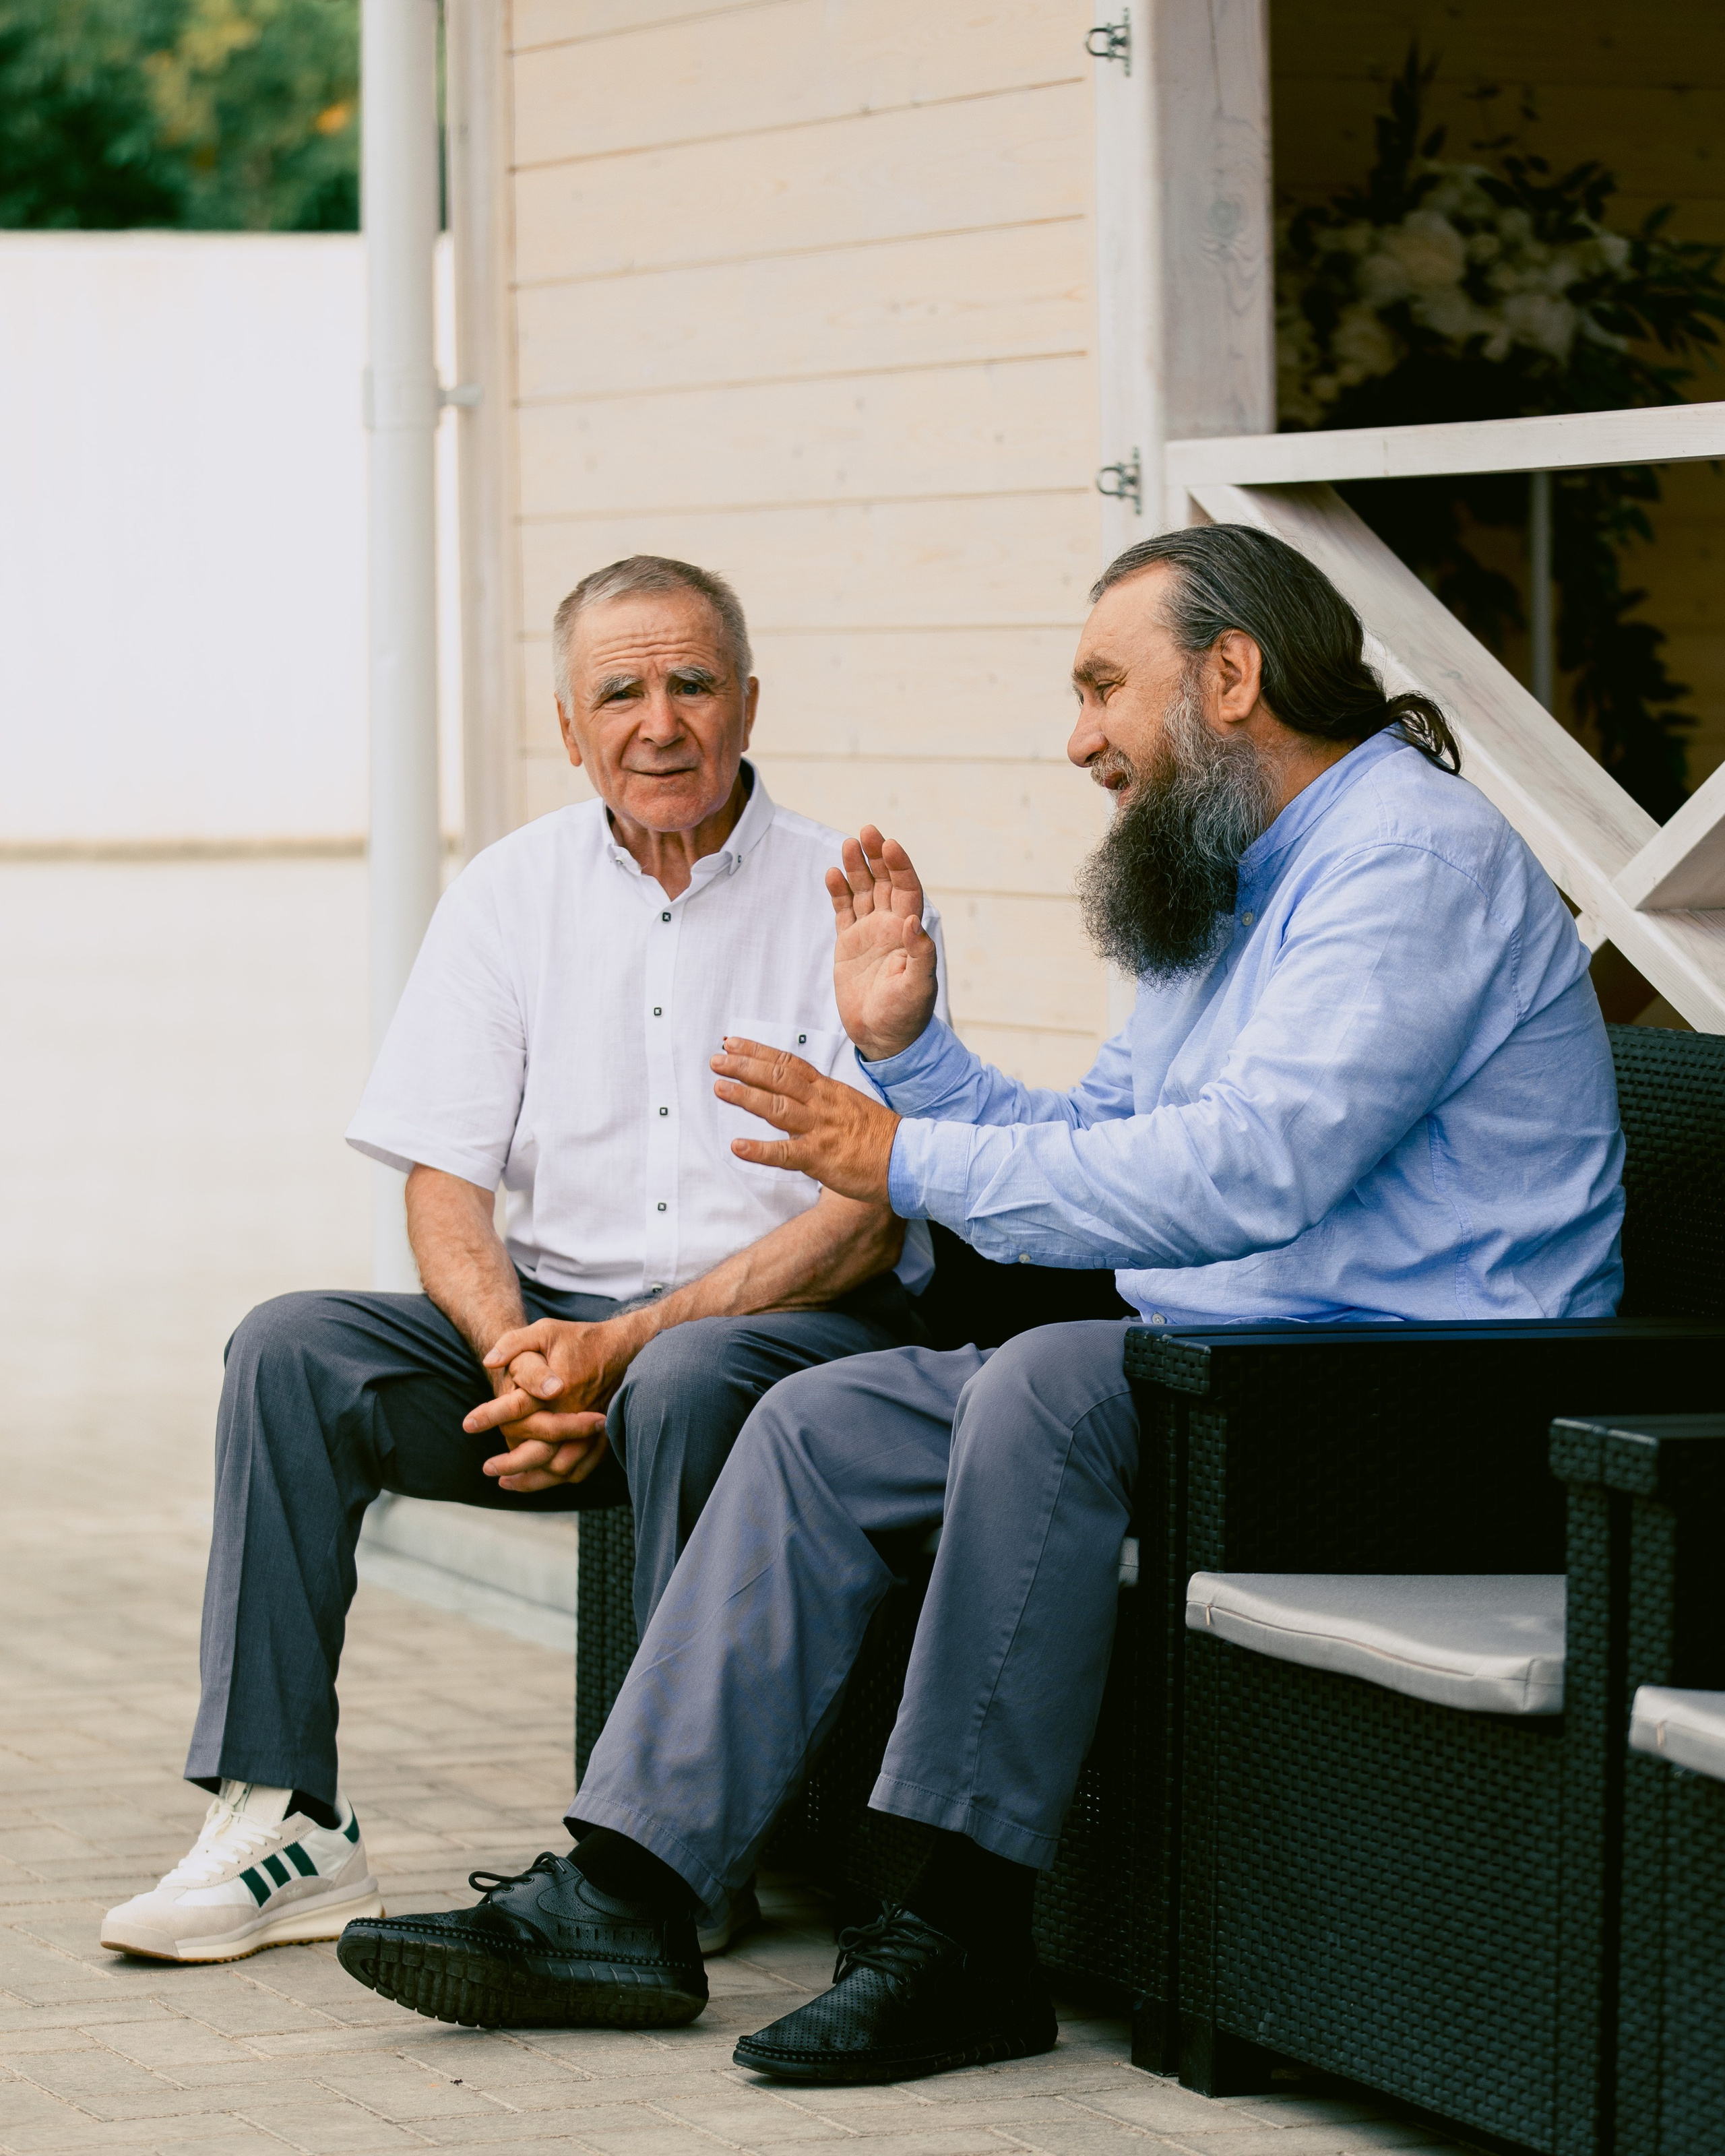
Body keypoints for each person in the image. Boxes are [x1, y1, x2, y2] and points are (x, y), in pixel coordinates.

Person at [333, 524, 1625, 2082]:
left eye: (1100, 688)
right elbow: (1100, 1136)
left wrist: (901, 1155)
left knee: (1044, 1385)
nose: (1077, 739)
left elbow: (1252, 1169)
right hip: (1224, 1366)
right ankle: (629, 1890)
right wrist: (913, 1062)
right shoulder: (1226, 875)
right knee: (818, 1421)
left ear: (1229, 676)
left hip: (1426, 1398)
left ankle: (960, 1934)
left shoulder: (1407, 863)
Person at [100, 554, 945, 1967]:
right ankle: (279, 1822)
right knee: (292, 1350)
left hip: (779, 1336)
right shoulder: (508, 891)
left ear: (747, 704)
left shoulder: (847, 898)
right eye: (619, 694)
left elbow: (865, 1211)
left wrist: (615, 1351)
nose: (658, 724)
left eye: (691, 684)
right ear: (568, 726)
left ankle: (670, 1857)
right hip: (551, 1338)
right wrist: (522, 1363)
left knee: (685, 1375)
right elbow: (445, 1177)